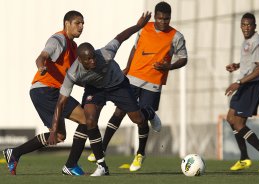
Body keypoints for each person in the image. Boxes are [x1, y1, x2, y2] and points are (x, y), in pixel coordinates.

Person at [47, 12, 159, 177]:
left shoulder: (105, 53)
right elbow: (60, 103)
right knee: (90, 120)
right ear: (80, 60)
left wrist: (139, 26)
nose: (93, 61)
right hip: (95, 89)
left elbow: (121, 37)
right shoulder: (73, 73)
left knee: (137, 119)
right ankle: (101, 166)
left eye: (93, 57)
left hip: (118, 85)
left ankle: (149, 113)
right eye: (88, 60)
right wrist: (53, 130)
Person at [87, 1, 188, 172]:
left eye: (167, 19)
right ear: (155, 16)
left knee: (141, 117)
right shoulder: (144, 28)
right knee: (119, 111)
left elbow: (184, 58)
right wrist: (127, 67)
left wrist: (168, 67)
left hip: (154, 82)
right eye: (160, 18)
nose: (163, 22)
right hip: (133, 77)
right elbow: (135, 48)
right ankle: (103, 147)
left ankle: (140, 153)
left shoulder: (176, 36)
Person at [3, 10, 88, 176]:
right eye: (77, 23)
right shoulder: (58, 39)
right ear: (67, 24)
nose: (81, 26)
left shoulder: (74, 47)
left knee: (59, 136)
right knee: (86, 119)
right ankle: (71, 166)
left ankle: (15, 153)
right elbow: (41, 57)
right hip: (45, 90)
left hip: (51, 91)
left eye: (83, 23)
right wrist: (41, 66)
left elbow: (71, 77)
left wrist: (93, 84)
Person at [225, 12, 259, 172]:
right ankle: (244, 158)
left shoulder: (257, 41)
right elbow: (251, 62)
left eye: (249, 25)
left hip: (252, 86)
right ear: (241, 26)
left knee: (239, 124)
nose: (246, 27)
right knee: (230, 118)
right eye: (243, 24)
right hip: (244, 85)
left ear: (255, 26)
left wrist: (239, 82)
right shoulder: (247, 41)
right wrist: (237, 65)